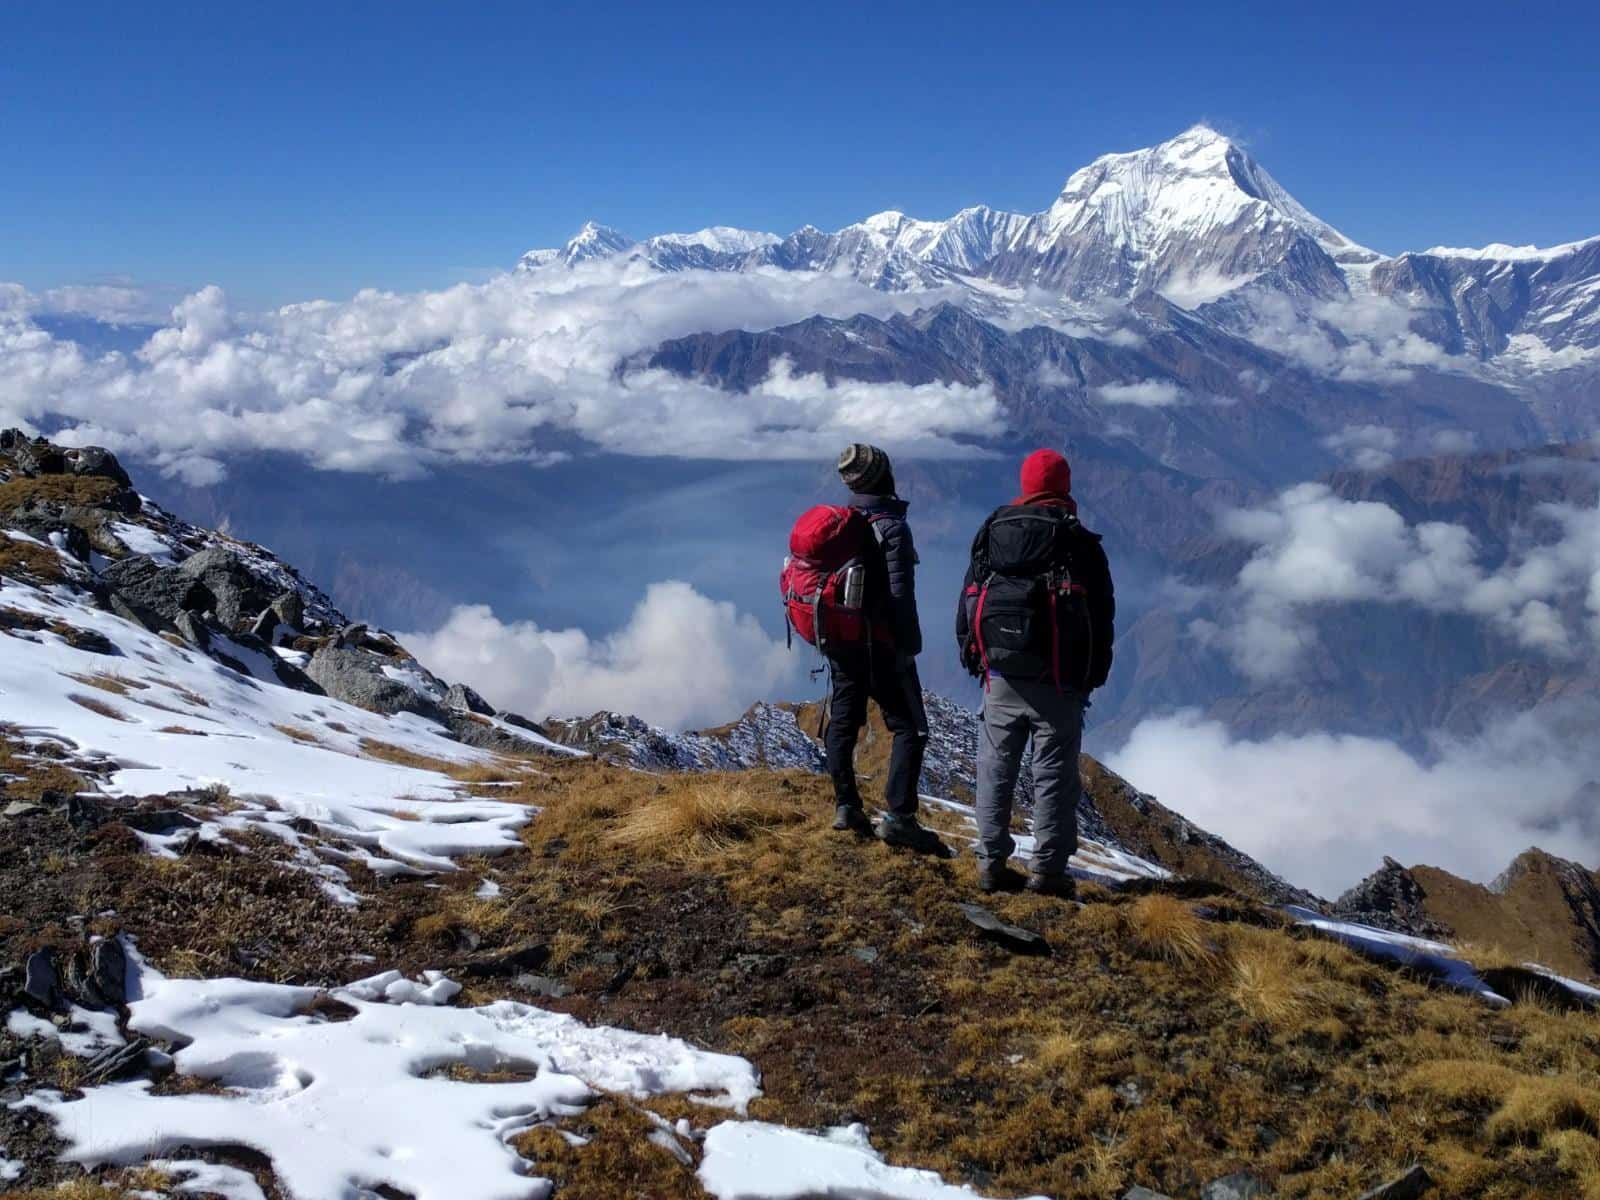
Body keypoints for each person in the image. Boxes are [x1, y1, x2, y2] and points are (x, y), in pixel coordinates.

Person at [956, 449, 1115, 895]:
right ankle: (1047, 872)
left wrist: (975, 657)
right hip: (1060, 680)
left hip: (1000, 675)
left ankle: (990, 863)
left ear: (1025, 486)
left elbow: (969, 599)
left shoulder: (993, 533)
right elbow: (1102, 616)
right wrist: (1092, 675)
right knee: (1053, 775)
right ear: (1065, 486)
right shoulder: (1079, 542)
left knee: (995, 767)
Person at [824, 443, 945, 854]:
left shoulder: (841, 525)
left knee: (844, 723)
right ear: (883, 477)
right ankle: (899, 819)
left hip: (841, 642)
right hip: (881, 646)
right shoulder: (890, 527)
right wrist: (909, 645)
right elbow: (900, 596)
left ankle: (846, 806)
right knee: (910, 727)